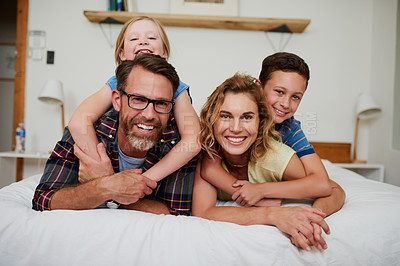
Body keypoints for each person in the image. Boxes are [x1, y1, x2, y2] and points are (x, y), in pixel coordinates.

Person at [192, 73, 345, 251]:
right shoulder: (208, 151)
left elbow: (333, 189)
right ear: (212, 120)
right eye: (225, 116)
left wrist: (312, 218)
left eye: (247, 117)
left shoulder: (275, 155)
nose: (235, 128)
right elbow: (203, 212)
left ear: (260, 122)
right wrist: (272, 214)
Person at [32, 54, 197, 216]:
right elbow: (44, 199)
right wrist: (107, 186)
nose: (149, 115)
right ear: (117, 100)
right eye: (138, 99)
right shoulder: (86, 132)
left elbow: (177, 214)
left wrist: (114, 188)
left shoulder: (178, 145)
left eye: (161, 103)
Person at [68, 16, 200, 183]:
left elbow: (193, 140)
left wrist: (144, 180)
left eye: (151, 37)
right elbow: (79, 122)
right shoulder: (114, 83)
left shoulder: (176, 88)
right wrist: (104, 173)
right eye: (134, 38)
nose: (143, 42)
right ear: (122, 54)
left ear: (165, 52)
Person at [201, 52, 342, 203]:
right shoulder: (233, 116)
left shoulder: (290, 129)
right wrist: (254, 198)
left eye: (295, 97)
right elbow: (210, 168)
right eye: (279, 92)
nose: (285, 104)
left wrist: (261, 190)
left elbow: (321, 183)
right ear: (259, 86)